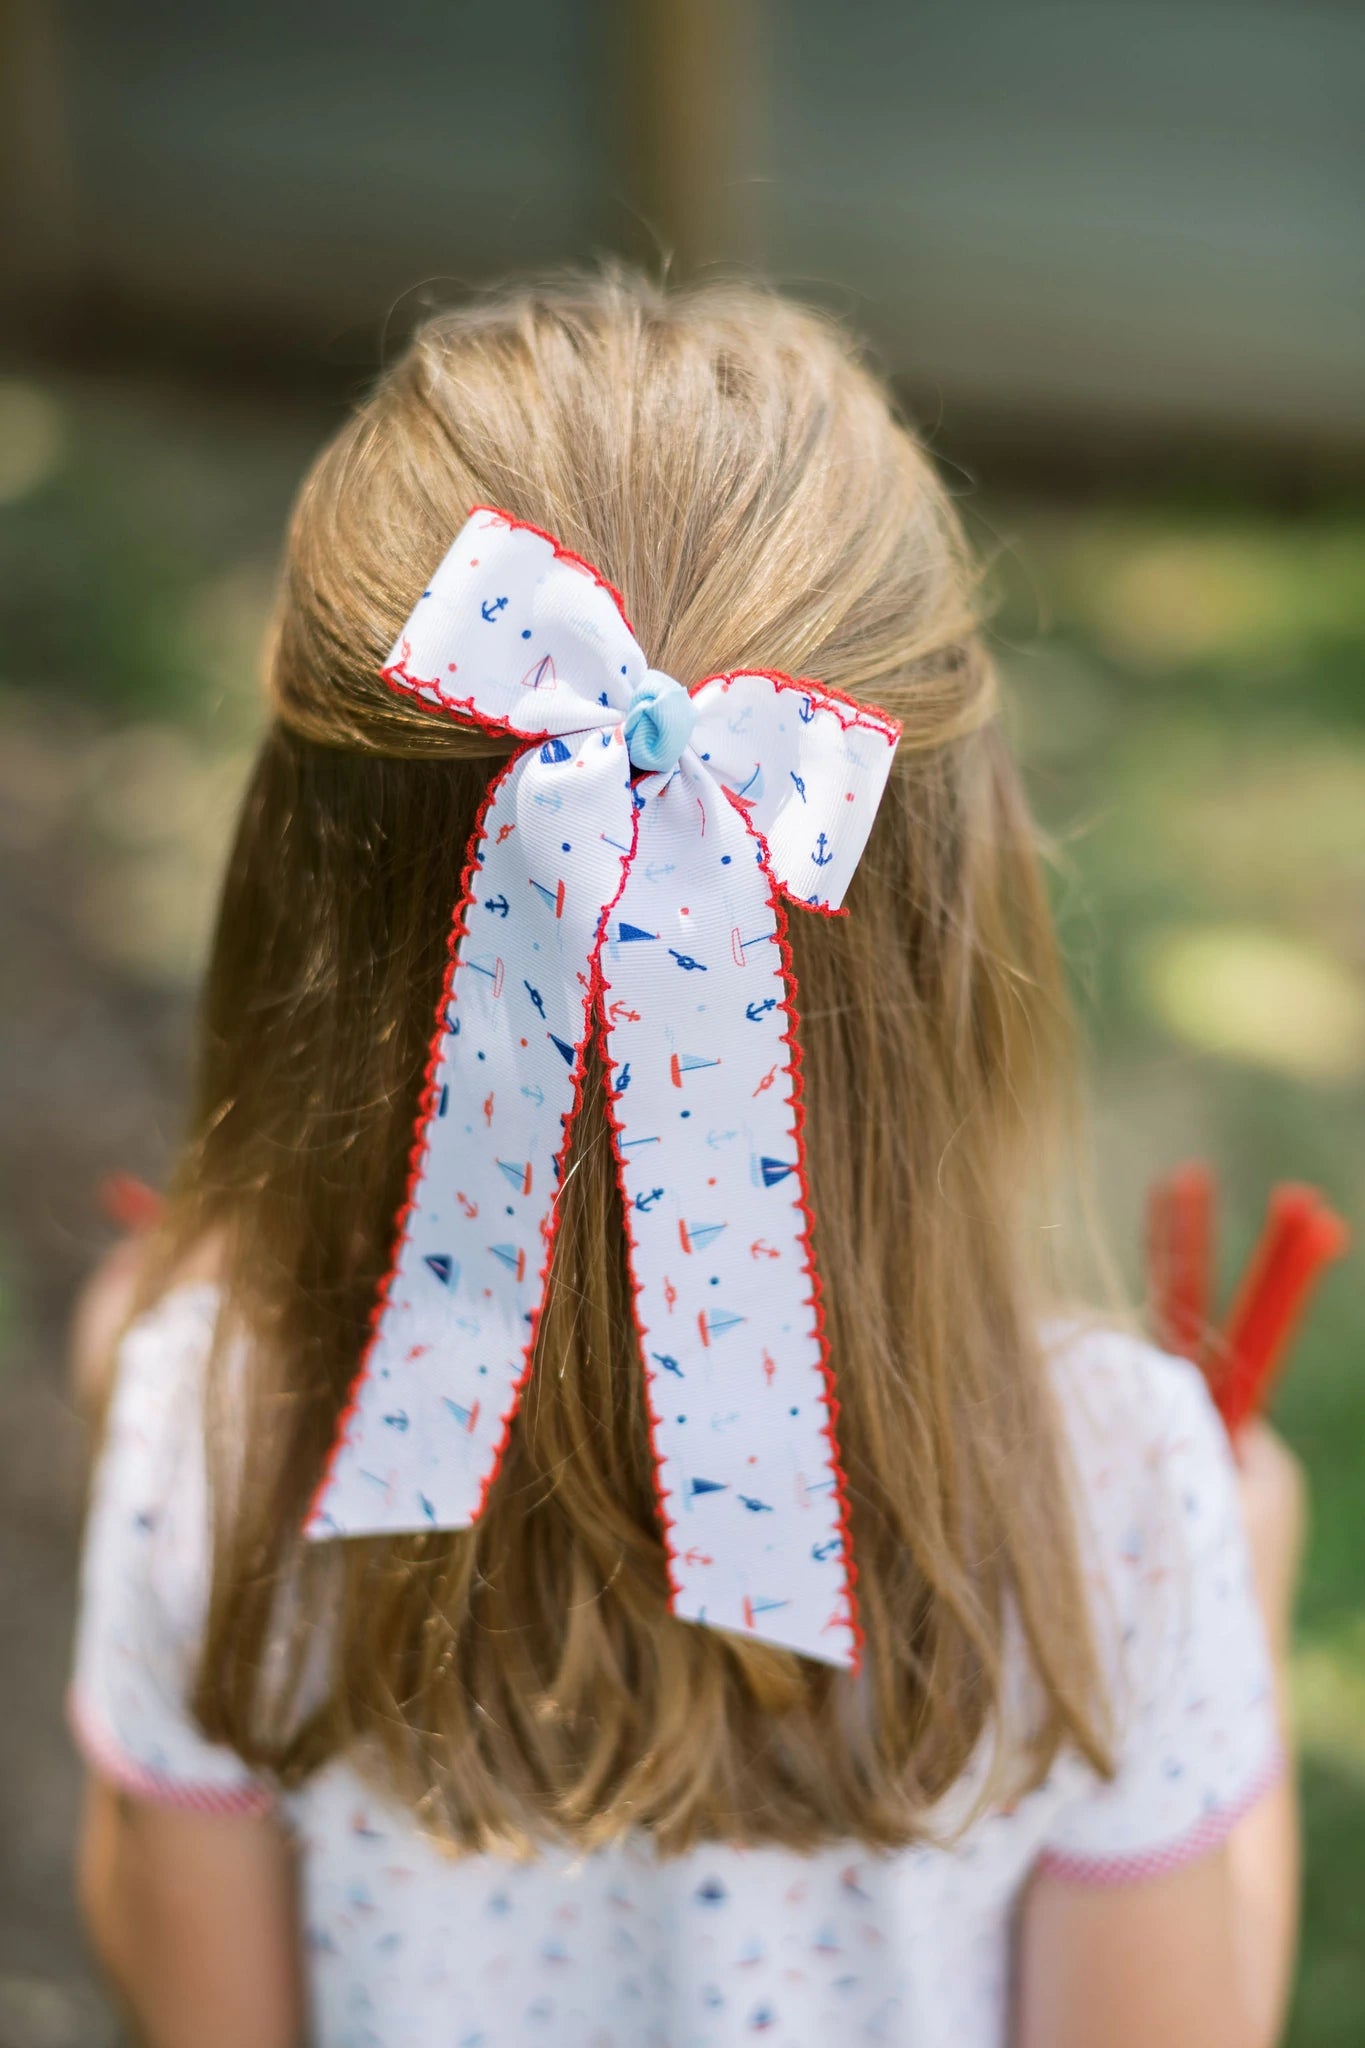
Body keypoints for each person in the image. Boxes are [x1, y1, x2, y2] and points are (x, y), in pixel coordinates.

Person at [69, 271, 1303, 2048]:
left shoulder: (221, 1420)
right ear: (955, 890)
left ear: (299, 899)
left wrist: (144, 1388)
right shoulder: (1117, 1501)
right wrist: (1239, 1579)